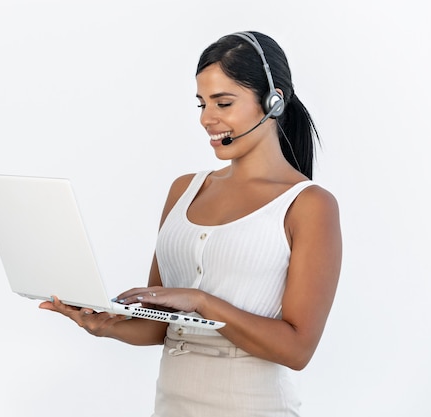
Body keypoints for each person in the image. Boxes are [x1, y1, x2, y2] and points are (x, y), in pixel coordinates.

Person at [40, 31, 342, 417]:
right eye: (201, 103)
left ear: (274, 102)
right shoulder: (185, 190)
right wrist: (103, 323)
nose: (206, 119)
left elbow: (297, 350)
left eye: (223, 102)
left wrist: (201, 302)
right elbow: (156, 324)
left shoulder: (309, 205)